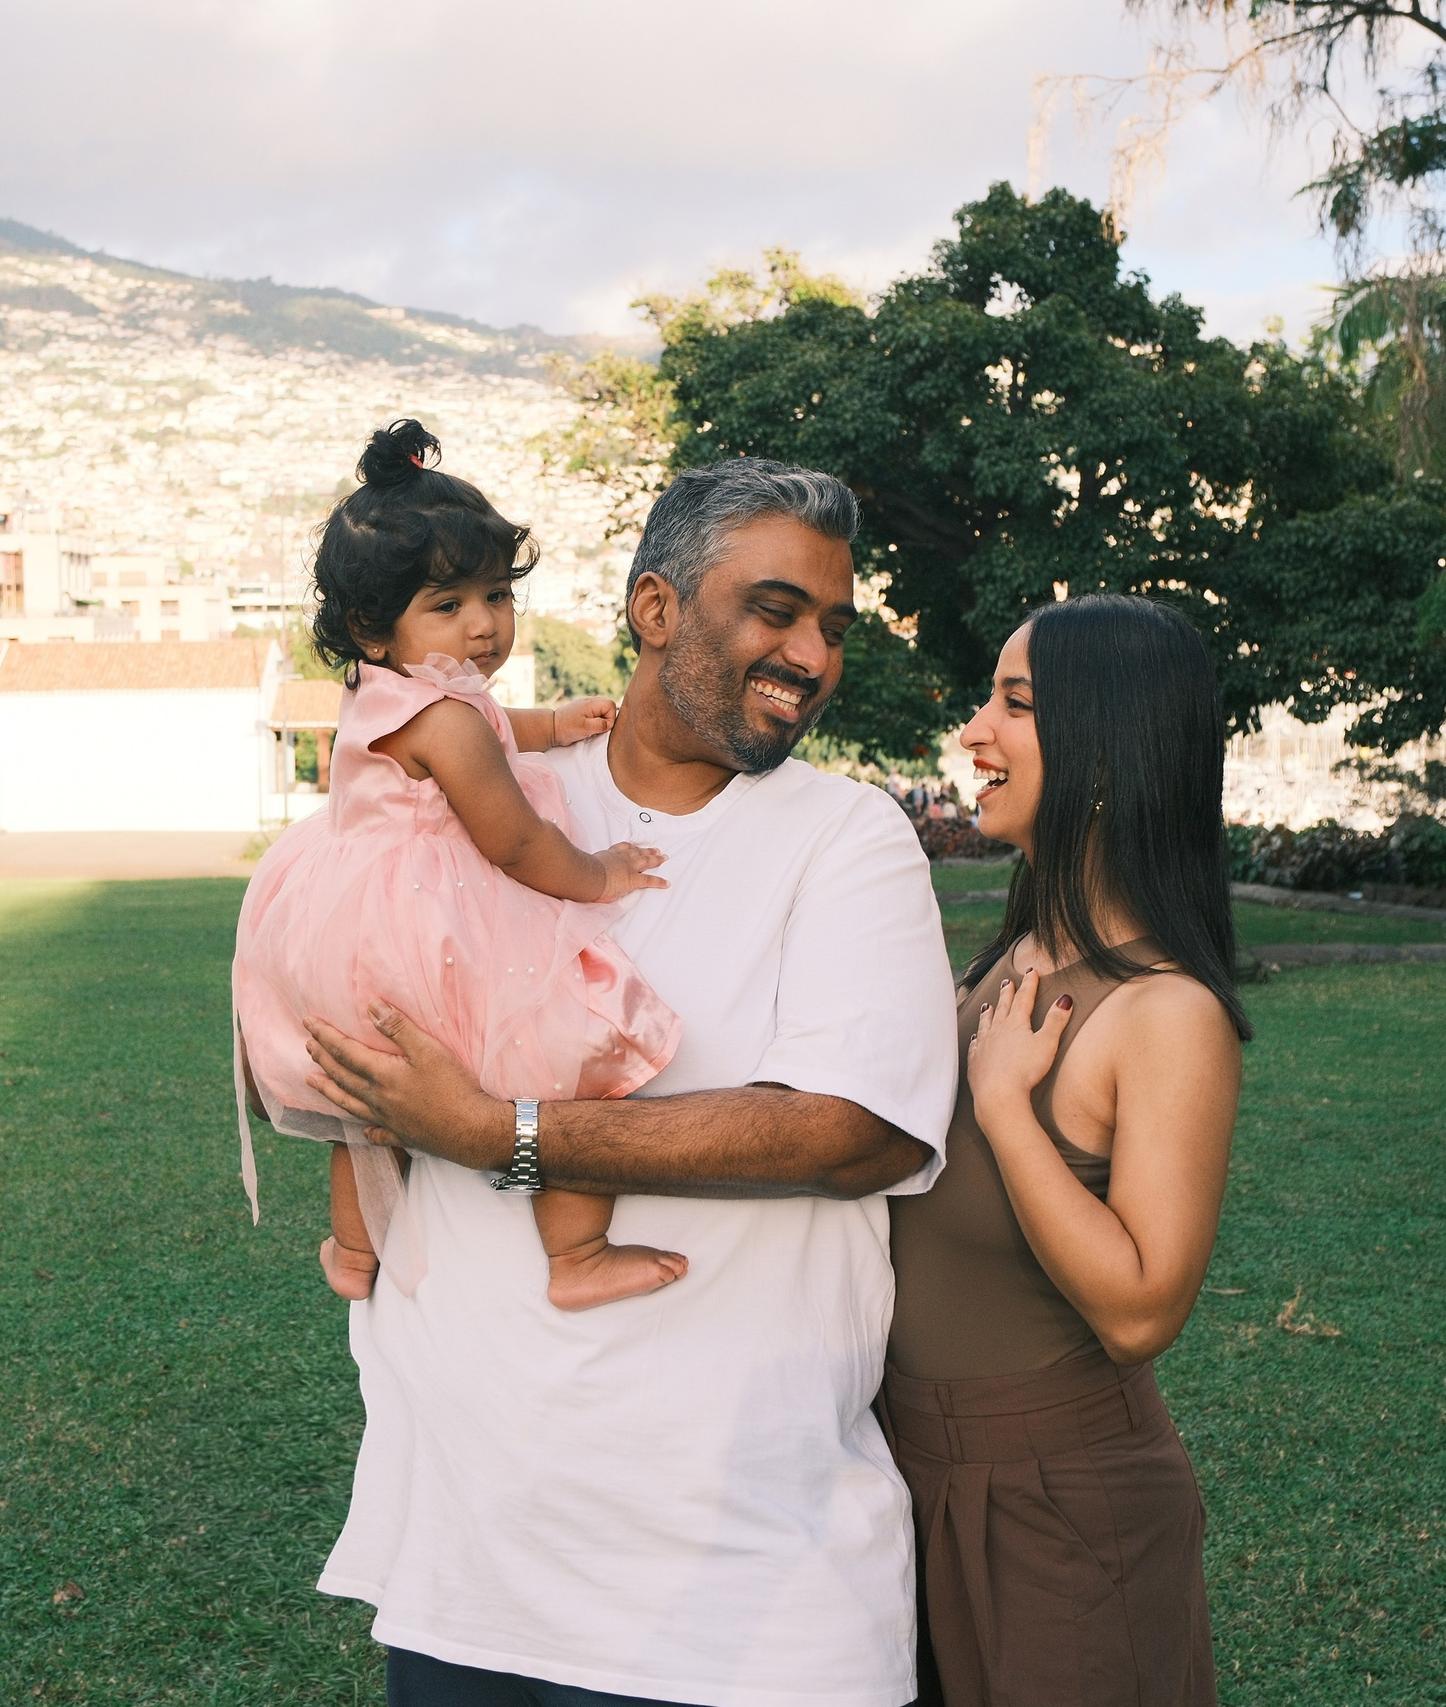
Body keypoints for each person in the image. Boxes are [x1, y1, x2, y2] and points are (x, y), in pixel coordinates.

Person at [295, 457, 959, 1707]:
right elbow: (345, 982)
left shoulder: (846, 838)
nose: (812, 655)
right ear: (654, 610)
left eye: (832, 627)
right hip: (470, 1578)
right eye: (775, 611)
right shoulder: (485, 798)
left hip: (744, 1601)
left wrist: (506, 1135)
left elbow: (851, 1133)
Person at [884, 595, 1248, 1707]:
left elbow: (1142, 1311)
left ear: (1105, 753)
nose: (973, 733)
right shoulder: (1004, 961)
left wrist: (1005, 1113)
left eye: (1017, 704)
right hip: (903, 1475)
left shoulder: (1164, 1011)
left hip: (1060, 1505)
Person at [234, 418, 687, 1312]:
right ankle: (577, 1253)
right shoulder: (444, 723)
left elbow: (482, 719)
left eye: (494, 596)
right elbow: (514, 839)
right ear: (372, 625)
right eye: (448, 607)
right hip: (428, 920)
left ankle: (353, 1253)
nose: (483, 625)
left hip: (346, 925)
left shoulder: (391, 691)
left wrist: (548, 725)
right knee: (578, 1053)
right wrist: (599, 874)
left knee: (372, 1114)